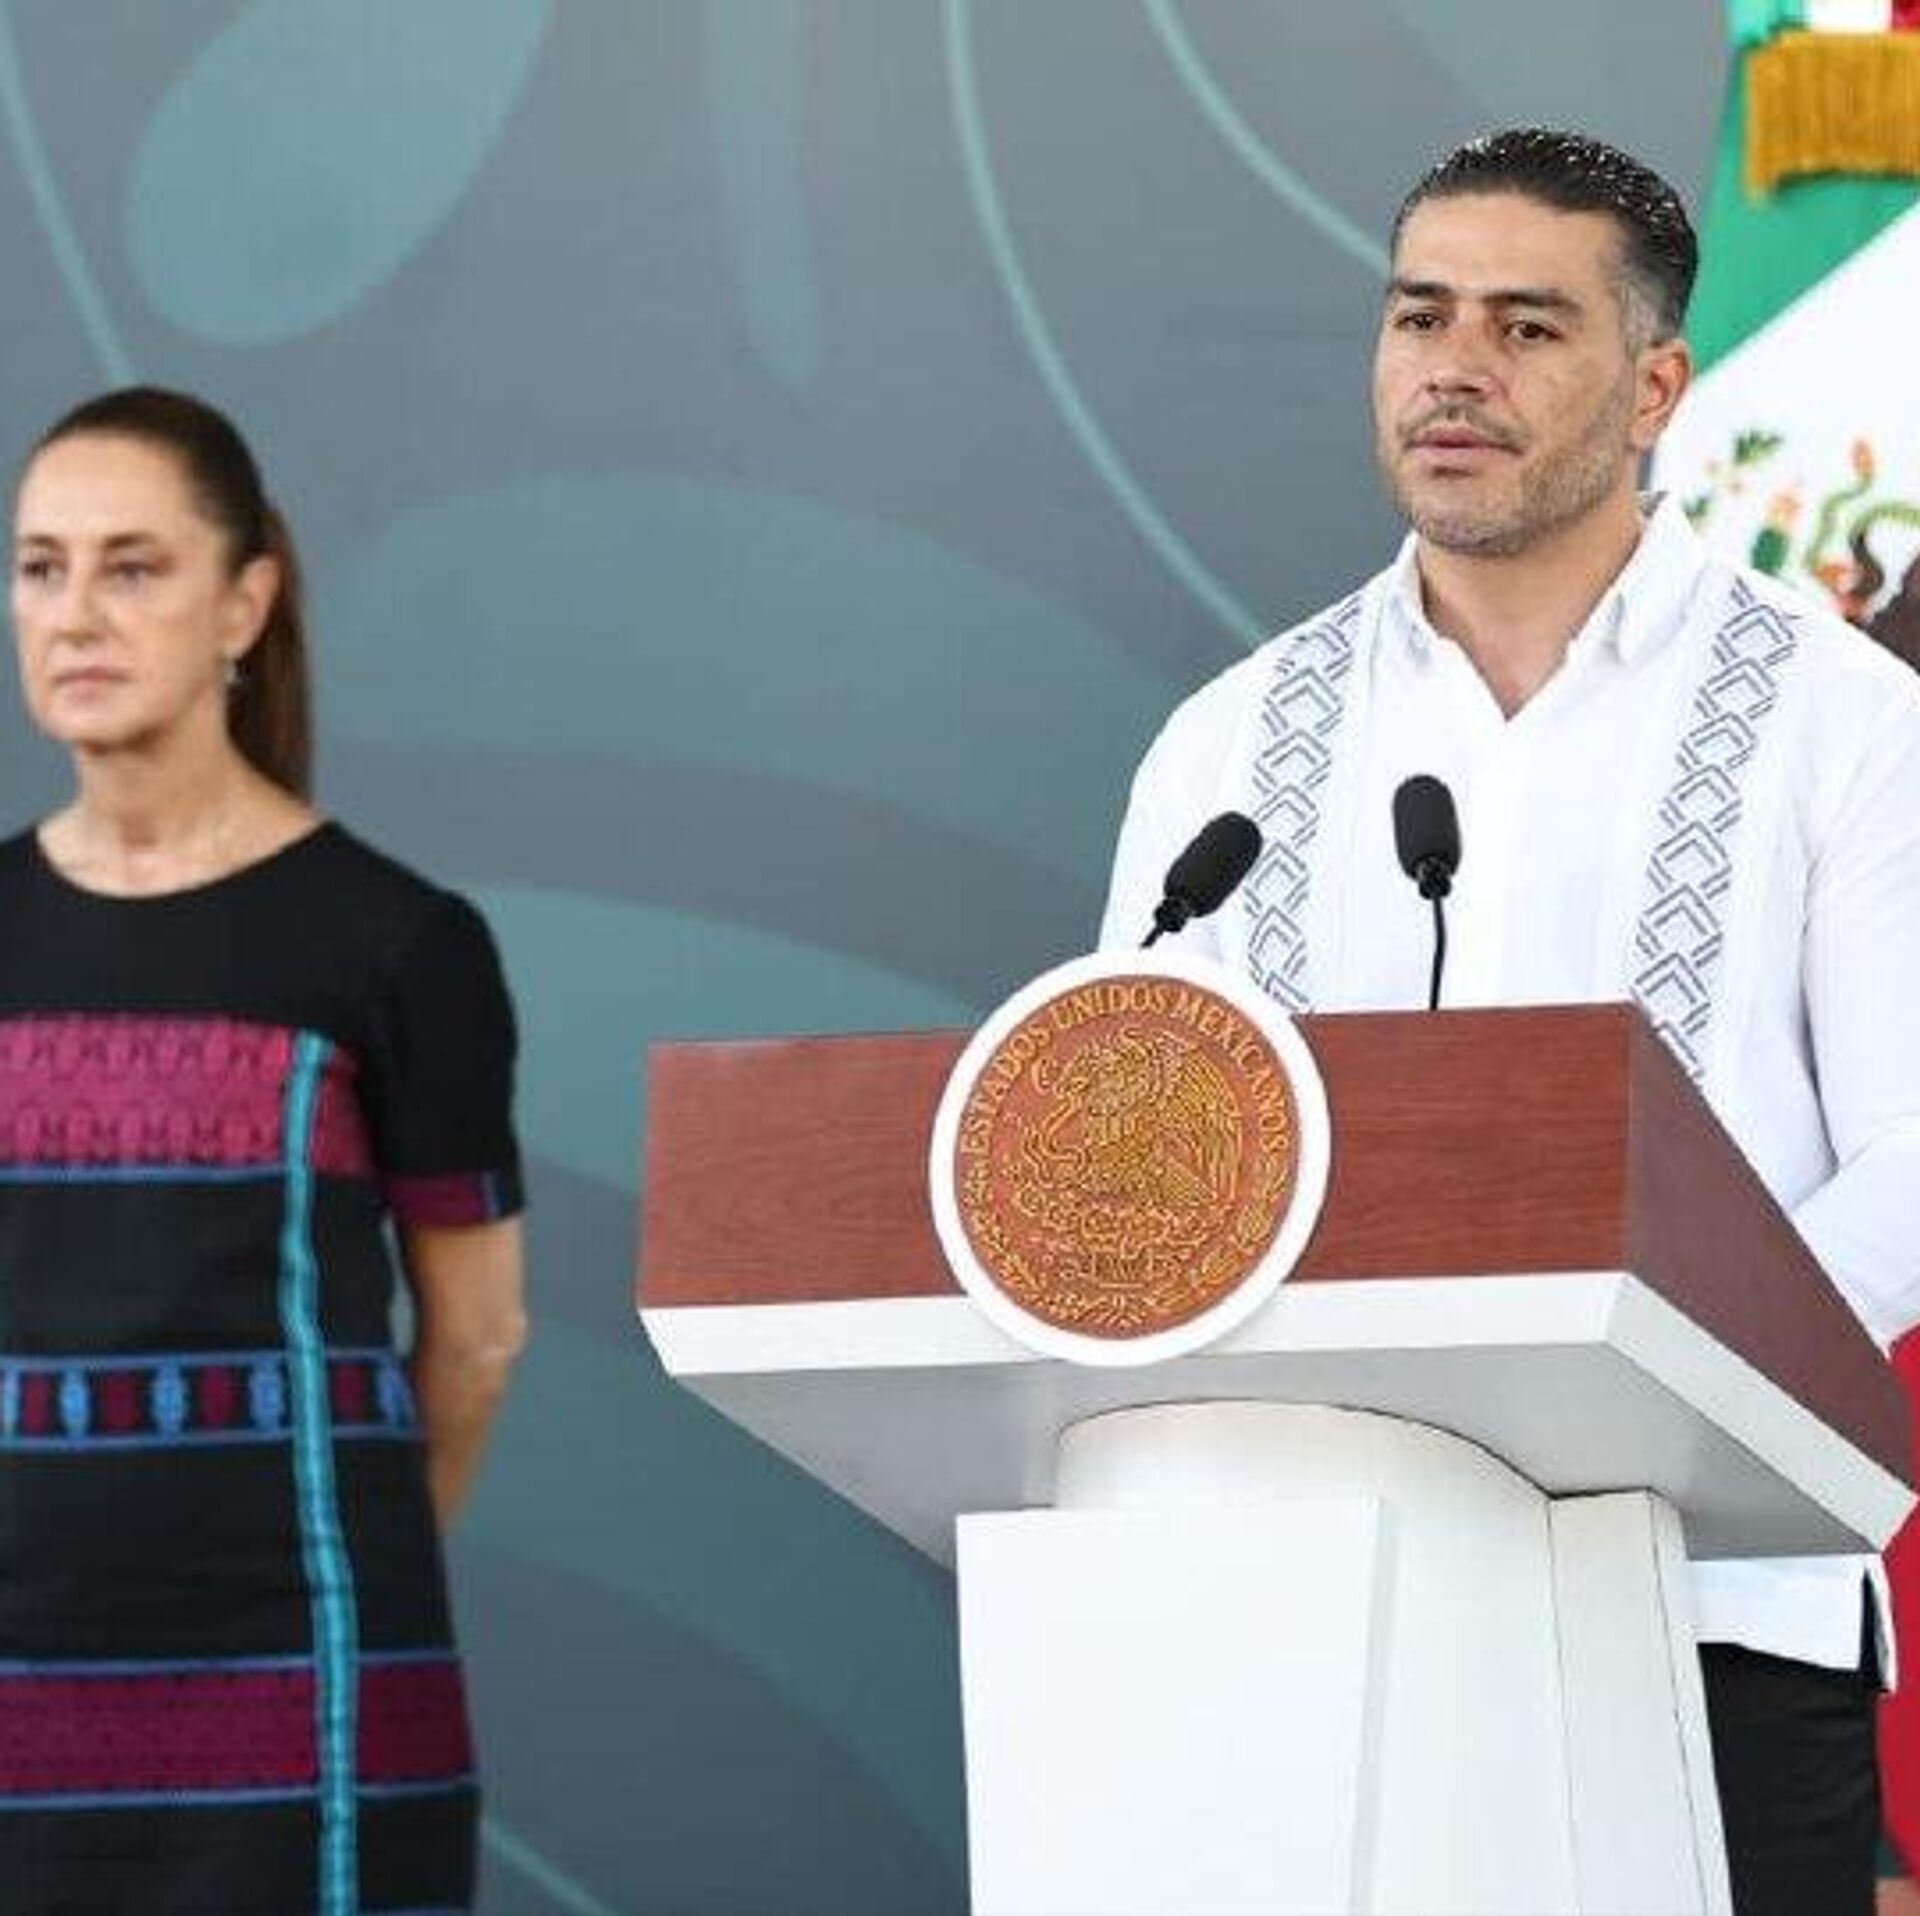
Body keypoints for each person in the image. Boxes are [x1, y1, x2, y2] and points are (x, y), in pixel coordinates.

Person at [1101, 128, 1920, 1915]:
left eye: (1529, 328)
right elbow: (1130, 1164)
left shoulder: (1843, 724)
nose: (1455, 369)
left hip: (1711, 1601)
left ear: (1657, 388)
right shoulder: (1229, 743)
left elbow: (1912, 1165)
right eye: (1422, 317)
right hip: (1305, 1603)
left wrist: (1621, 1383)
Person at [0, 388, 529, 1915]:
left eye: (133, 567)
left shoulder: (397, 945)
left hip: (311, 1686)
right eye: (40, 568)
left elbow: (478, 1341)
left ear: (244, 601)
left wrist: (345, 1568)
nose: (75, 614)